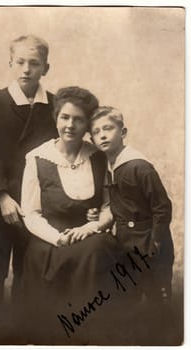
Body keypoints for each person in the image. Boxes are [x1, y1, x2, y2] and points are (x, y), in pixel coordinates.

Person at [20, 87, 117, 345]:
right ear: (56, 117)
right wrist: (57, 238)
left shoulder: (98, 157)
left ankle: (91, 333)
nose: (70, 125)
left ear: (88, 124)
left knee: (98, 248)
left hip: (89, 238)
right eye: (65, 117)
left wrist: (93, 226)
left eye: (78, 119)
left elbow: (109, 206)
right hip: (52, 242)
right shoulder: (37, 158)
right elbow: (30, 213)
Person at [0, 35, 58, 322]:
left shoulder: (54, 105)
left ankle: (22, 329)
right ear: (11, 64)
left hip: (32, 202)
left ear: (45, 68)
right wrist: (1, 196)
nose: (26, 69)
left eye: (34, 63)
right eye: (20, 62)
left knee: (29, 268)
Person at [90, 106, 175, 343]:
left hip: (150, 243)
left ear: (123, 131)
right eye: (96, 132)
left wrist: (156, 240)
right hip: (128, 244)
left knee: (158, 295)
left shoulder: (138, 166)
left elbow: (162, 207)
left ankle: (166, 339)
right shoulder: (111, 167)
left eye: (108, 128)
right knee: (130, 294)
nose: (103, 135)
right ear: (92, 139)